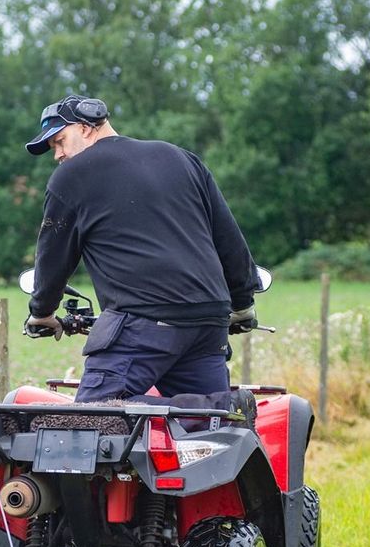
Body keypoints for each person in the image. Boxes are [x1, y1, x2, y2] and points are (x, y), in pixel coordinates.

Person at [23, 94, 258, 415]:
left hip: (143, 323)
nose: (58, 155)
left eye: (60, 141)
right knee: (211, 432)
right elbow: (230, 241)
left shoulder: (72, 176)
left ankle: (220, 405)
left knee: (90, 415)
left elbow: (53, 258)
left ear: (87, 127)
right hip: (209, 322)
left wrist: (42, 312)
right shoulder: (182, 159)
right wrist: (242, 303)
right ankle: (217, 410)